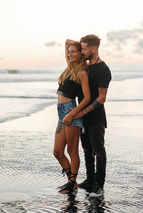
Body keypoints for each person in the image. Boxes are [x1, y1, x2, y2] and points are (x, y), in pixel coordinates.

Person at [73, 34, 112, 198]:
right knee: (86, 150)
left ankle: (99, 185)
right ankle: (89, 180)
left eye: (84, 49)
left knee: (98, 152)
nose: (81, 52)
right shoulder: (86, 68)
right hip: (83, 118)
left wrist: (82, 112)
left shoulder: (103, 69)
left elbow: (101, 98)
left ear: (93, 49)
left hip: (96, 118)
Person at [53, 39, 91, 194]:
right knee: (57, 152)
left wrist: (72, 113)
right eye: (68, 52)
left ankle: (71, 183)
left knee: (72, 151)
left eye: (73, 51)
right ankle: (71, 182)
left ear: (80, 54)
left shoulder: (82, 72)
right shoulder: (68, 69)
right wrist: (68, 45)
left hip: (71, 112)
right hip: (61, 112)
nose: (70, 54)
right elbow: (67, 45)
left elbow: (87, 98)